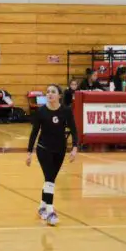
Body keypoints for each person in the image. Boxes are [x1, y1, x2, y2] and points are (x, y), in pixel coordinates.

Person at [26, 84, 78, 227]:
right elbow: (34, 132)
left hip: (60, 150)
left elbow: (74, 130)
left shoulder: (66, 111)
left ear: (59, 96)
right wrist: (29, 152)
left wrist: (74, 148)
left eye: (53, 92)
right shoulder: (41, 112)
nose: (49, 94)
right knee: (49, 179)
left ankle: (42, 206)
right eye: (47, 92)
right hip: (44, 149)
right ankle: (50, 211)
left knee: (51, 180)